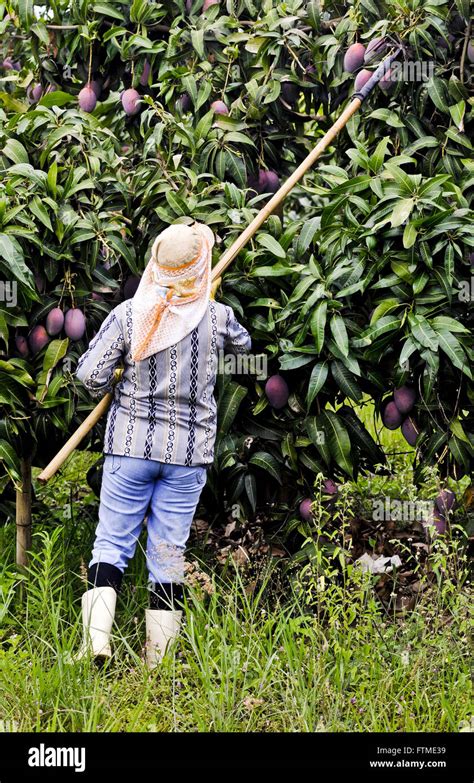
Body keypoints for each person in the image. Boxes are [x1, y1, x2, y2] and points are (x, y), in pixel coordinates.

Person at [73, 222, 251, 668]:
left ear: (155, 263)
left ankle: (96, 644)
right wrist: (213, 304)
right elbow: (245, 348)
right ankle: (157, 662)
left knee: (110, 545)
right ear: (203, 268)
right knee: (169, 555)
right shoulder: (218, 317)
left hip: (130, 447)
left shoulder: (131, 315)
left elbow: (88, 375)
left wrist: (121, 375)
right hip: (188, 455)